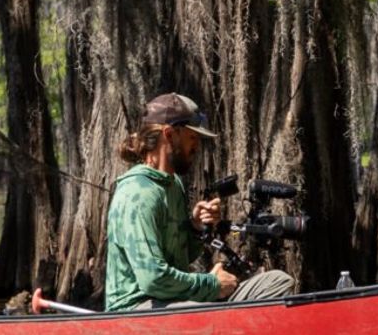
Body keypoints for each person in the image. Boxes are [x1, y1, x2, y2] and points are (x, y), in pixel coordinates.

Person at [102, 93, 295, 311]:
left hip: (175, 301)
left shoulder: (174, 184)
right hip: (137, 309)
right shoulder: (138, 193)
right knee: (199, 309)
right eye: (192, 137)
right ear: (170, 134)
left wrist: (195, 226)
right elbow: (153, 279)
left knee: (277, 282)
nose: (197, 146)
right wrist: (212, 284)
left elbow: (184, 257)